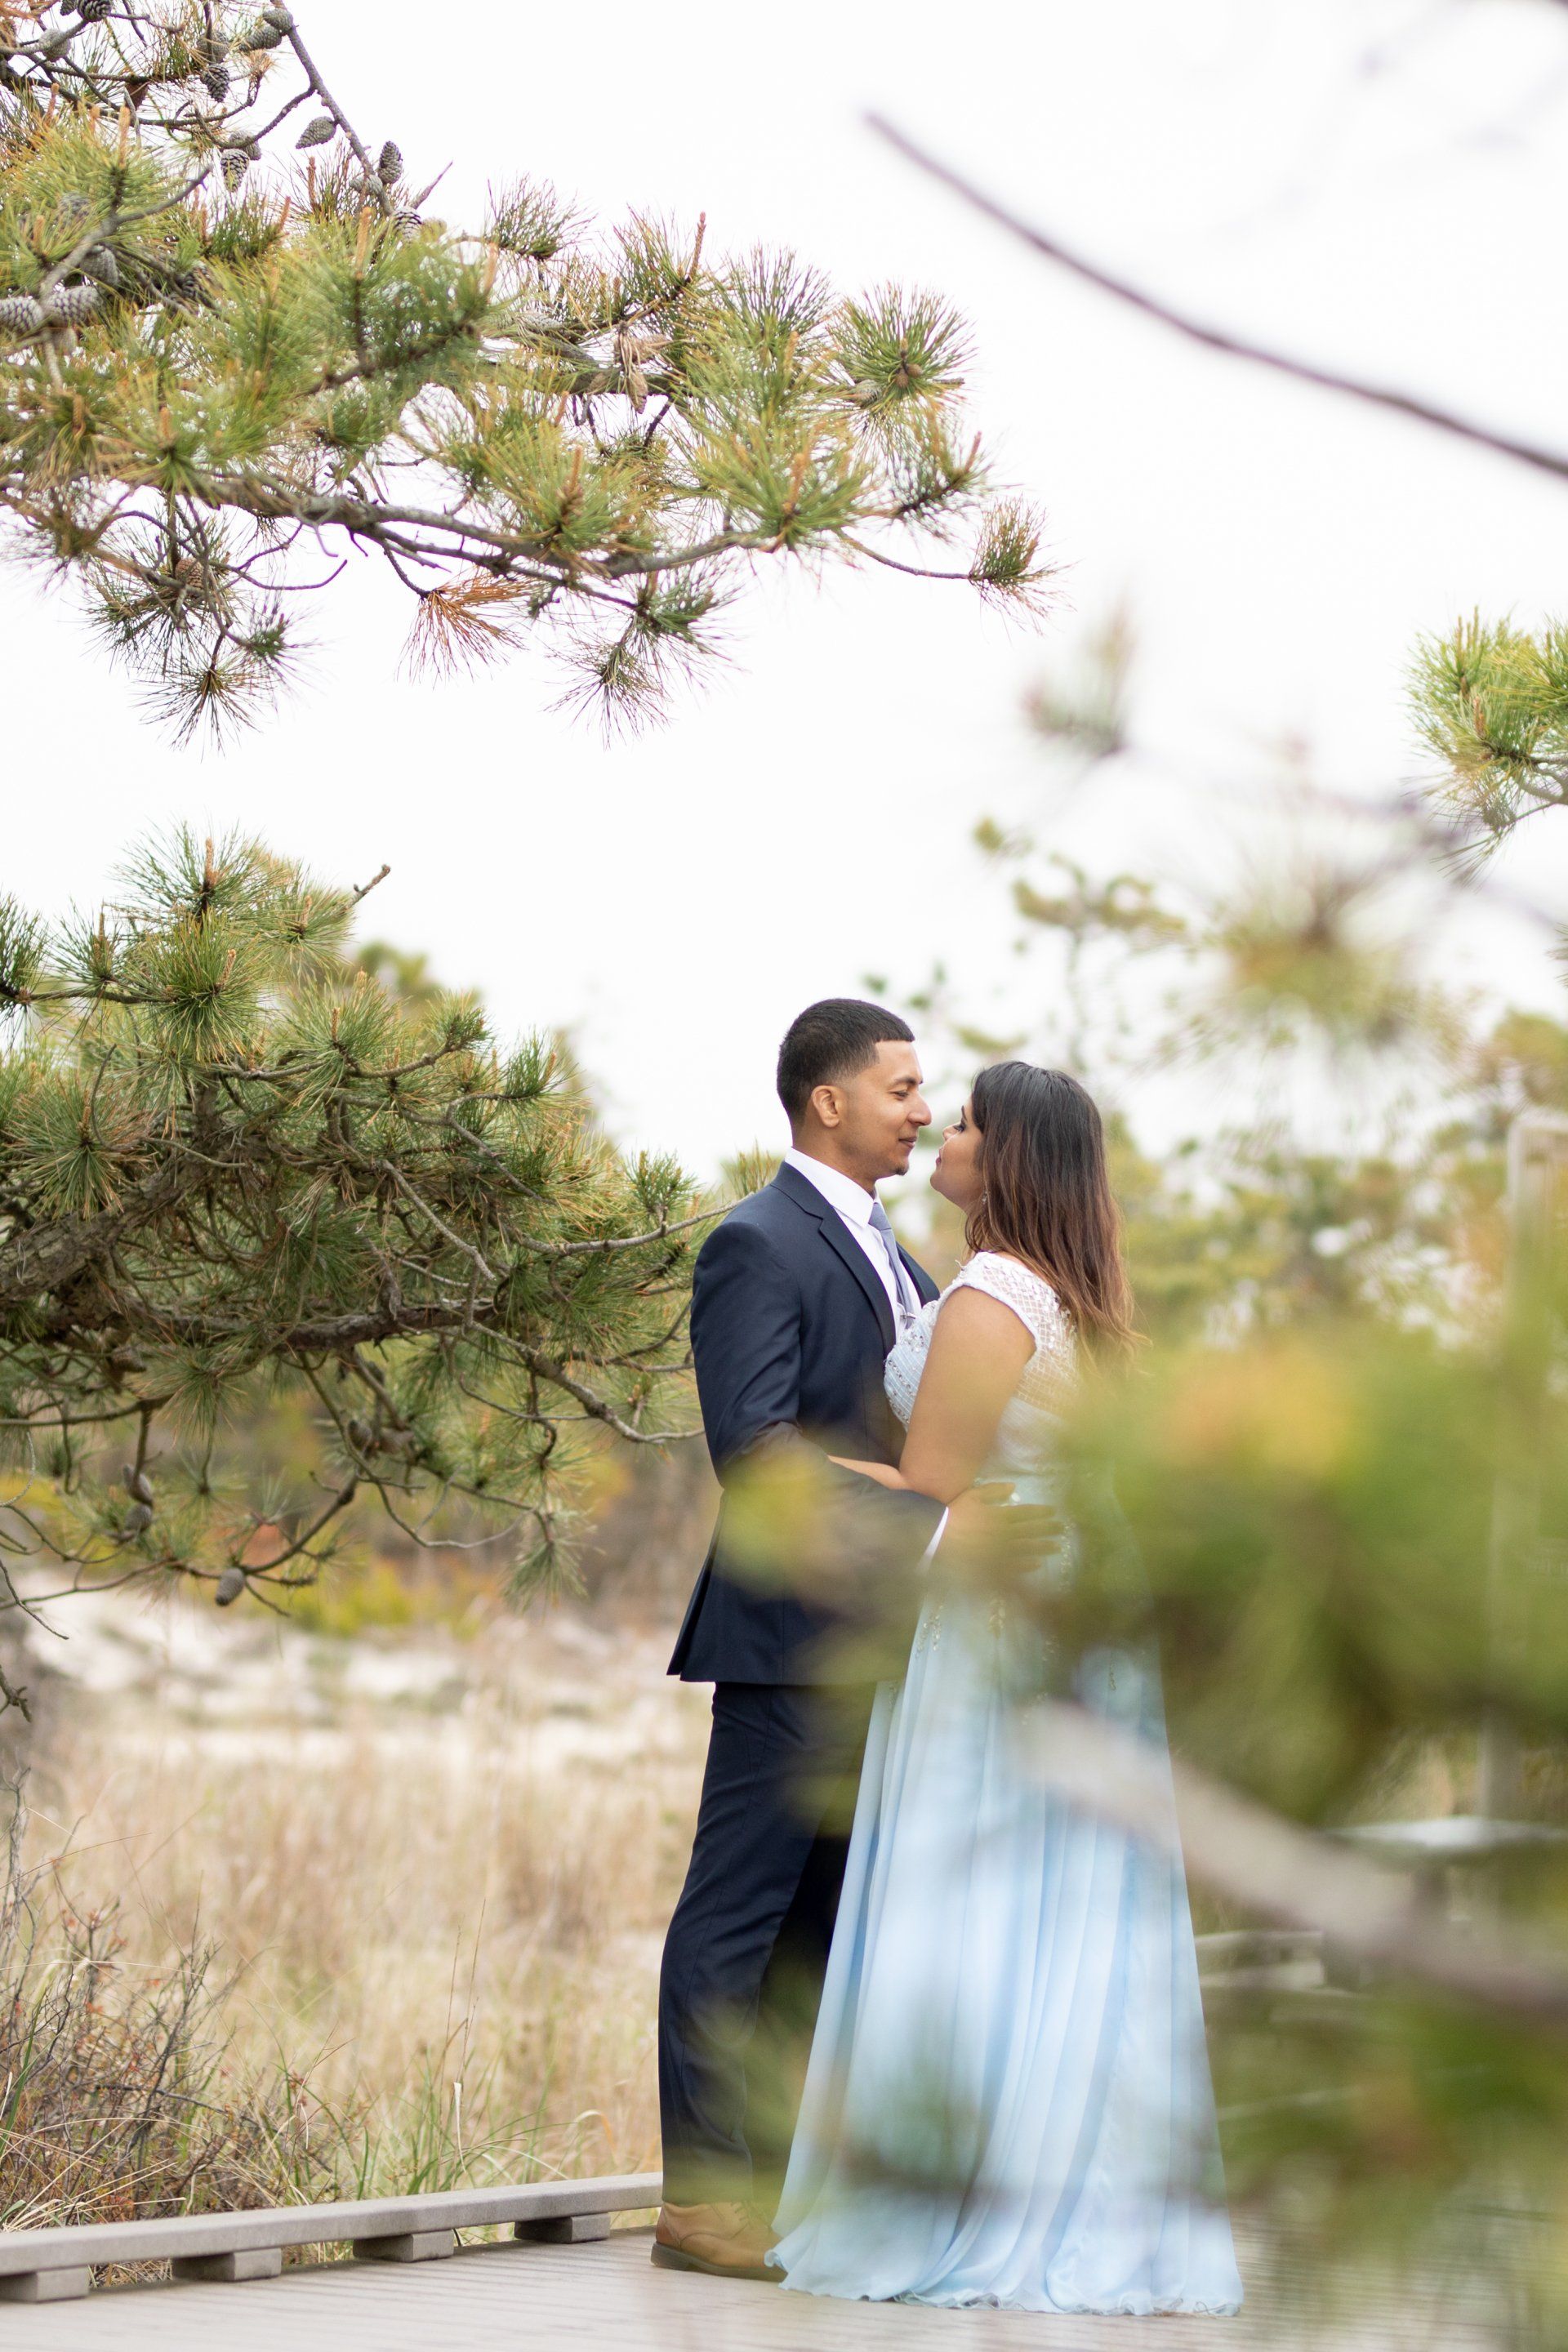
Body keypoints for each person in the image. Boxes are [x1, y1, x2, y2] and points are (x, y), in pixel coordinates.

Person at [768, 1062, 1244, 2316]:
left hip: (998, 1612)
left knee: (970, 1880)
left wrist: (799, 1468)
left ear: (1011, 1156)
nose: (946, 1129)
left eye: (967, 1118)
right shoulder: (1070, 1297)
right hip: (1067, 1600)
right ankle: (1047, 2173)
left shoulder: (991, 1296)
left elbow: (932, 1485)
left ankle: (958, 2196)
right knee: (1059, 1896)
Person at [654, 1004, 1054, 2283]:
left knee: (827, 1927)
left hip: (895, 1654)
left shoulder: (910, 1263)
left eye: (929, 1091)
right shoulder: (755, 1243)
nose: (922, 1109)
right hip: (786, 1638)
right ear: (828, 1101)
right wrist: (935, 1538)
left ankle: (780, 2186)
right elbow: (755, 1453)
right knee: (738, 1918)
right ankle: (700, 2201)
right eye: (901, 1088)